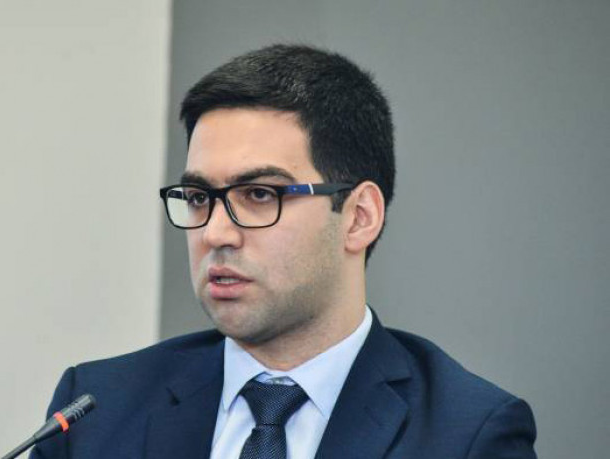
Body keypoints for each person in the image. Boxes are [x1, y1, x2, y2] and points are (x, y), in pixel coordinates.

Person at [31, 44, 536, 459]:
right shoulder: (94, 410)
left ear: (359, 217)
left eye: (259, 194)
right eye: (200, 197)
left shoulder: (468, 435)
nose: (216, 233)